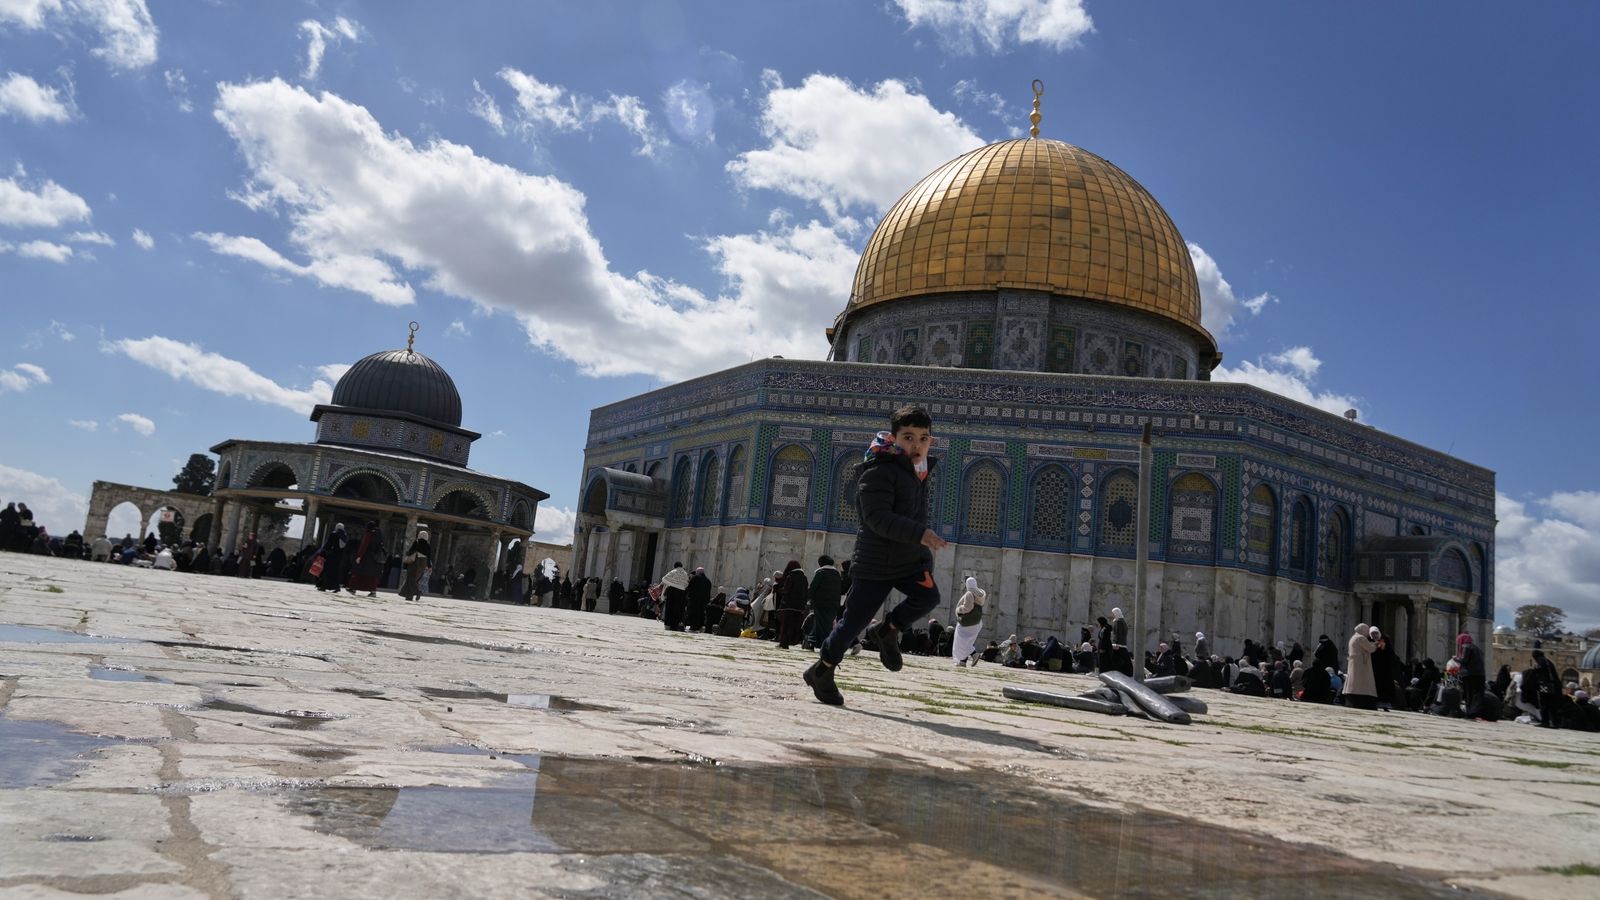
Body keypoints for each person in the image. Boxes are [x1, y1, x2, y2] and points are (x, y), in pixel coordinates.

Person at [804, 405, 947, 706]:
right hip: (875, 562)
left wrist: (921, 551)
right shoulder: (878, 471)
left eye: (923, 438)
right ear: (894, 438)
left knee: (928, 597)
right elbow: (876, 518)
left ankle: (887, 630)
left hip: (908, 560)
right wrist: (920, 534)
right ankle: (822, 670)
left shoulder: (919, 472)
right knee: (852, 624)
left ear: (931, 441)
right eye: (908, 437)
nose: (916, 445)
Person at [807, 555, 843, 651]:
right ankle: (812, 642)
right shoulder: (837, 574)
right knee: (825, 624)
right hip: (834, 604)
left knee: (821, 625)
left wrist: (807, 598)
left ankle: (823, 644)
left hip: (821, 603)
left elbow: (813, 587)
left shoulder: (821, 573)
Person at [952, 576, 987, 667]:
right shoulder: (980, 593)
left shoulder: (969, 593)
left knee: (960, 641)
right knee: (967, 641)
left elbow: (968, 608)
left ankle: (974, 654)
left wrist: (959, 609)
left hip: (967, 621)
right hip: (976, 621)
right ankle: (963, 661)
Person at [1343, 623, 1378, 710]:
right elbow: (1370, 648)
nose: (1367, 633)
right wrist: (1376, 644)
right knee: (1362, 682)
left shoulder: (1353, 638)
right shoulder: (1361, 638)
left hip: (1354, 662)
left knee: (1354, 680)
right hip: (1361, 663)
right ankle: (1364, 700)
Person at [347, 521, 385, 598]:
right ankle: (373, 591)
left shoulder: (369, 534)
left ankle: (352, 588)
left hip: (366, 557)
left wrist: (359, 556)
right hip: (374, 559)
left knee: (357, 572)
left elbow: (364, 546)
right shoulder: (379, 535)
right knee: (371, 575)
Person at [776, 560, 808, 649]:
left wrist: (778, 590)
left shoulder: (790, 577)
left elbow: (786, 590)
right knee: (794, 625)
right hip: (799, 607)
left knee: (785, 625)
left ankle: (783, 643)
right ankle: (792, 641)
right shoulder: (804, 578)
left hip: (788, 605)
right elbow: (806, 592)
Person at [398, 529, 430, 601]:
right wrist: (429, 566)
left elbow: (410, 551)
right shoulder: (428, 545)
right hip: (423, 563)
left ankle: (417, 592)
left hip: (415, 561)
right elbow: (429, 556)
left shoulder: (417, 542)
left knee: (411, 578)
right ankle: (409, 596)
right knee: (415, 579)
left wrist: (408, 553)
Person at [1457, 632, 1485, 712]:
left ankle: (1469, 712)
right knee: (1477, 695)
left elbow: (1464, 660)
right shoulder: (1476, 648)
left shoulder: (1466, 646)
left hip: (1469, 674)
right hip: (1480, 674)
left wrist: (1456, 659)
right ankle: (1477, 711)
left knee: (1469, 694)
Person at [315, 524, 347, 592]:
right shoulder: (344, 536)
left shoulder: (334, 534)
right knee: (335, 572)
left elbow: (328, 544)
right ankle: (336, 587)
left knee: (327, 571)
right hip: (339, 558)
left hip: (331, 556)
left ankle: (323, 586)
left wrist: (323, 551)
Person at [659, 562, 691, 631]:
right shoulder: (685, 573)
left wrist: (672, 583)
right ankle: (675, 625)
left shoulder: (673, 571)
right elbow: (686, 584)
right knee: (678, 609)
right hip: (681, 593)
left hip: (672, 591)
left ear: (675, 566)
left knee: (670, 607)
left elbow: (664, 579)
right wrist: (680, 586)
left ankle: (668, 624)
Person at [685, 567, 712, 631]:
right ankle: (700, 627)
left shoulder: (695, 578)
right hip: (704, 601)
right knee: (701, 613)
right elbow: (708, 592)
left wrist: (688, 595)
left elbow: (689, 587)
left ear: (698, 572)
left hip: (694, 599)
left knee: (694, 612)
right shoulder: (708, 581)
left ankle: (693, 627)